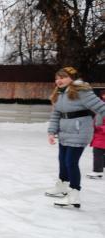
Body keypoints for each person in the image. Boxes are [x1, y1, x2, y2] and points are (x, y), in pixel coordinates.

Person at [45, 67, 105, 208]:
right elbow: (56, 115)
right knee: (62, 160)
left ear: (72, 78)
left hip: (80, 131)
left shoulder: (81, 91)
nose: (58, 80)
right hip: (65, 131)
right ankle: (62, 186)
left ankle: (74, 194)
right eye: (57, 78)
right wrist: (51, 132)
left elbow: (101, 108)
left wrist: (100, 122)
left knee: (71, 162)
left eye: (63, 77)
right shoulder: (59, 93)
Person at [86, 90, 105, 179]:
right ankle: (99, 169)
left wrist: (100, 128)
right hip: (99, 134)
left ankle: (97, 171)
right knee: (98, 152)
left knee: (98, 152)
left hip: (101, 133)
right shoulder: (100, 105)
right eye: (103, 95)